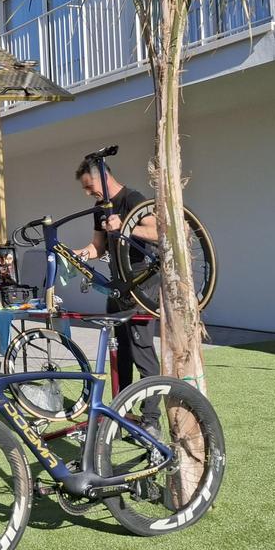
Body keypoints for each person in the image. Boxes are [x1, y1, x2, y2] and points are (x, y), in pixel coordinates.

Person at [72, 157, 162, 433]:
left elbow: (158, 232)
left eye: (90, 187)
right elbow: (98, 245)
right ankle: (123, 411)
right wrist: (78, 255)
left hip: (142, 281)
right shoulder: (99, 208)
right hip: (118, 284)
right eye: (85, 190)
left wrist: (125, 226)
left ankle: (151, 421)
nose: (89, 193)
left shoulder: (132, 198)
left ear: (103, 177)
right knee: (119, 352)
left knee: (142, 352)